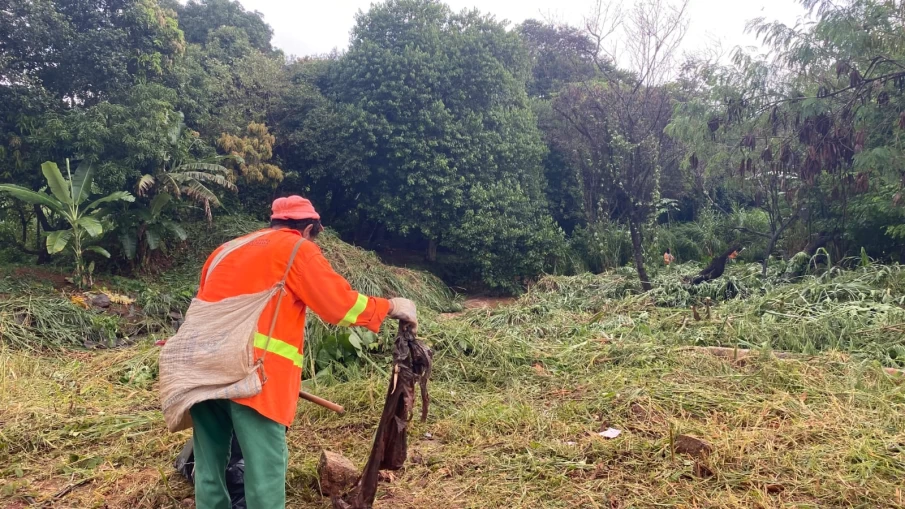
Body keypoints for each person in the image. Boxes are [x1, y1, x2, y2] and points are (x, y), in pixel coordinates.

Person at [189, 195, 417, 509]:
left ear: (275, 222)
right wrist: (391, 307)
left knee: (208, 465)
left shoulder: (225, 250)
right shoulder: (297, 249)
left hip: (201, 367)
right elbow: (339, 305)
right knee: (265, 468)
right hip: (255, 376)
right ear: (308, 228)